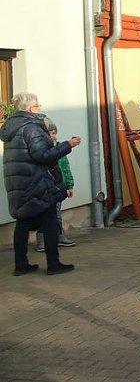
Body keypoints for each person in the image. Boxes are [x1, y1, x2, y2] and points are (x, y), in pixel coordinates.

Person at [2, 93, 80, 275]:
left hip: (19, 181)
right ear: (30, 108)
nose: (40, 108)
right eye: (38, 105)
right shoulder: (31, 127)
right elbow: (42, 156)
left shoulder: (12, 126)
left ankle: (21, 265)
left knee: (23, 222)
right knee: (50, 221)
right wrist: (67, 145)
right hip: (37, 181)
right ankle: (53, 264)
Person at [35, 118, 76, 251]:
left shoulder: (60, 149)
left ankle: (59, 236)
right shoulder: (42, 151)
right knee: (44, 214)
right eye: (51, 133)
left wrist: (69, 185)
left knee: (57, 213)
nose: (54, 136)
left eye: (54, 132)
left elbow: (65, 168)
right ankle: (42, 240)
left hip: (59, 186)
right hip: (45, 187)